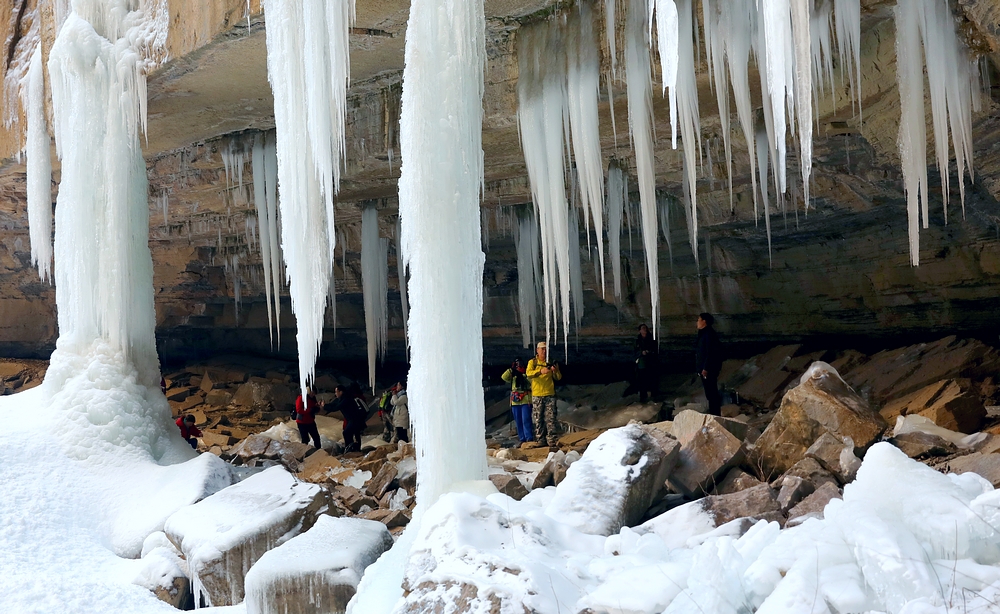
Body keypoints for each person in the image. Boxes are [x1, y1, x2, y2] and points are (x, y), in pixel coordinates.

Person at [526, 341, 561, 447]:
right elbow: (528, 373)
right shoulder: (533, 362)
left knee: (551, 418)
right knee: (538, 418)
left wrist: (555, 371)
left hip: (550, 394)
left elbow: (558, 377)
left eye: (546, 349)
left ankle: (552, 440)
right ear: (537, 350)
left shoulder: (551, 362)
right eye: (542, 349)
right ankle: (540, 439)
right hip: (537, 394)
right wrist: (540, 371)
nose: (544, 351)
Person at [696, 312, 723, 416]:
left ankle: (715, 413)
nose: (697, 322)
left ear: (704, 321)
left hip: (709, 369)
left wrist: (705, 368)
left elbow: (710, 353)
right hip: (705, 368)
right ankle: (714, 413)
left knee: (712, 392)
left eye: (699, 320)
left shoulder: (709, 334)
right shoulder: (704, 334)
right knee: (709, 393)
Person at [501, 358, 534, 443]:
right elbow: (504, 377)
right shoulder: (513, 376)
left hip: (526, 400)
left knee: (526, 419)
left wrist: (524, 374)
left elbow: (532, 382)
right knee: (518, 420)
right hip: (515, 401)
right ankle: (522, 438)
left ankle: (529, 437)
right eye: (517, 364)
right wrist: (511, 370)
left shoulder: (526, 375)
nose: (519, 366)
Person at [332, 384, 366, 453]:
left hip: (354, 419)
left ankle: (351, 448)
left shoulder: (346, 399)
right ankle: (354, 448)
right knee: (355, 434)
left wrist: (324, 407)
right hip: (356, 419)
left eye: (336, 392)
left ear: (341, 392)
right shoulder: (348, 397)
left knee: (347, 433)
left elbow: (337, 407)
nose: (335, 394)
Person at [634, 324, 659, 403]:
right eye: (643, 328)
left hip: (650, 363)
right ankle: (642, 395)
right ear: (640, 330)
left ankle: (652, 395)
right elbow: (634, 351)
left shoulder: (651, 340)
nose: (645, 330)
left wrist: (649, 351)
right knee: (642, 379)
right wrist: (641, 353)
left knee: (650, 378)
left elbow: (655, 349)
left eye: (645, 328)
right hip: (641, 364)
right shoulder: (637, 341)